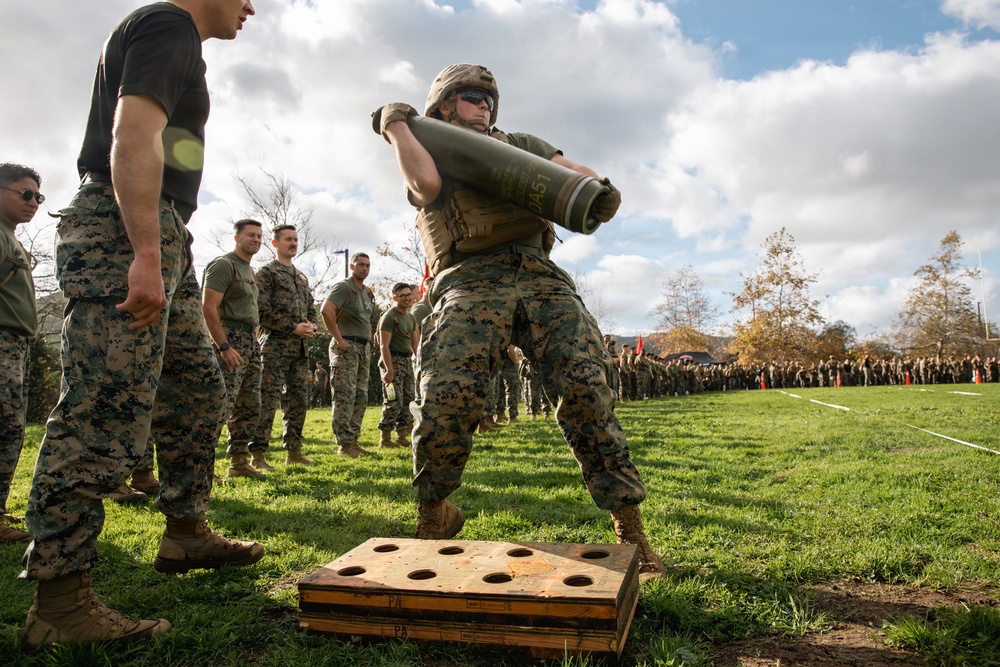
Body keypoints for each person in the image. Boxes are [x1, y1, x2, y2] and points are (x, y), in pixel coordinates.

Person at [20, 0, 262, 649]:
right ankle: (60, 598)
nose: (250, 7)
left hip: (159, 231)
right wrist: (147, 253)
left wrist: (164, 247)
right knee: (102, 409)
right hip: (124, 230)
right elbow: (134, 134)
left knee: (196, 388)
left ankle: (186, 532)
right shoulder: (167, 25)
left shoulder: (176, 36)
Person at [375, 63, 665, 581]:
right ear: (443, 105)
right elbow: (423, 186)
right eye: (469, 96)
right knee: (447, 393)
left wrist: (599, 190)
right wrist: (396, 124)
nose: (483, 104)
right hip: (468, 280)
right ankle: (433, 516)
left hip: (538, 274)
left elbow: (574, 176)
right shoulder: (426, 145)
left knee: (585, 388)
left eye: (489, 97)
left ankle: (631, 531)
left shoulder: (521, 142)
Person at [203, 219, 266, 478]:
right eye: (251, 235)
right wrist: (223, 345)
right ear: (237, 237)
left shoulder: (250, 272)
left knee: (248, 405)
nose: (256, 240)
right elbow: (208, 307)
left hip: (249, 343)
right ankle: (202, 468)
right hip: (228, 340)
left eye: (260, 236)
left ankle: (238, 463)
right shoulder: (223, 265)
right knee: (220, 405)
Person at [251, 224, 317, 465]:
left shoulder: (301, 277)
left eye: (296, 240)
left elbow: (311, 308)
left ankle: (294, 452)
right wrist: (292, 328)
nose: (293, 243)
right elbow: (261, 311)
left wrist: (311, 326)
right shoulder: (266, 273)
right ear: (275, 243)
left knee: (299, 401)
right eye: (288, 239)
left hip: (300, 349)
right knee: (267, 401)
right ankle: (257, 454)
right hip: (274, 348)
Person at [0, 163, 41, 544]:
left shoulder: (10, 236)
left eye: (37, 197)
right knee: (4, 428)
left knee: (11, 429)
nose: (33, 203)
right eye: (24, 194)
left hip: (15, 344)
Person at [321, 253, 376, 457]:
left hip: (363, 349)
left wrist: (369, 340)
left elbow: (368, 319)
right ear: (352, 265)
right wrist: (339, 339)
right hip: (346, 348)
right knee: (345, 396)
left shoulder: (367, 293)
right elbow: (326, 311)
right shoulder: (344, 287)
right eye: (360, 265)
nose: (364, 268)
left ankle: (353, 442)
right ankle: (344, 445)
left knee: (361, 396)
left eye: (368, 265)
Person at [376, 283, 420, 448]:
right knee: (393, 400)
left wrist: (420, 366)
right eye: (403, 295)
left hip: (407, 363)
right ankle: (385, 439)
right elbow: (383, 346)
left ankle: (401, 437)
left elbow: (416, 346)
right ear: (394, 298)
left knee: (408, 400)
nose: (408, 298)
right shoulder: (389, 317)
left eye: (409, 294)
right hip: (392, 361)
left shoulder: (411, 318)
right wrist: (389, 369)